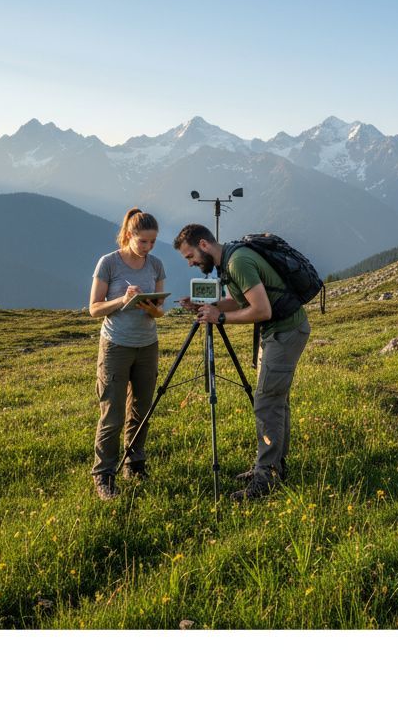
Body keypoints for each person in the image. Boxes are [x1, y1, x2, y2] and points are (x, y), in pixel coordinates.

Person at [173, 224, 310, 502]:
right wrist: (208, 307)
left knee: (267, 402)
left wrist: (219, 318)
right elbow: (240, 301)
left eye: (190, 256)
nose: (190, 263)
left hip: (284, 332)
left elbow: (262, 309)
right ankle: (274, 465)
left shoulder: (238, 262)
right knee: (275, 401)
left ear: (203, 245)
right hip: (277, 332)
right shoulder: (229, 260)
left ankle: (266, 477)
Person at [88, 208, 166, 499]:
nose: (148, 247)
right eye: (143, 241)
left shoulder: (155, 265)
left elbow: (159, 311)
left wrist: (152, 308)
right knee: (112, 413)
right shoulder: (109, 262)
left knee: (142, 409)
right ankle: (104, 474)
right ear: (130, 235)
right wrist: (123, 299)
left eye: (153, 241)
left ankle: (134, 464)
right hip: (116, 345)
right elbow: (94, 309)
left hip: (147, 344)